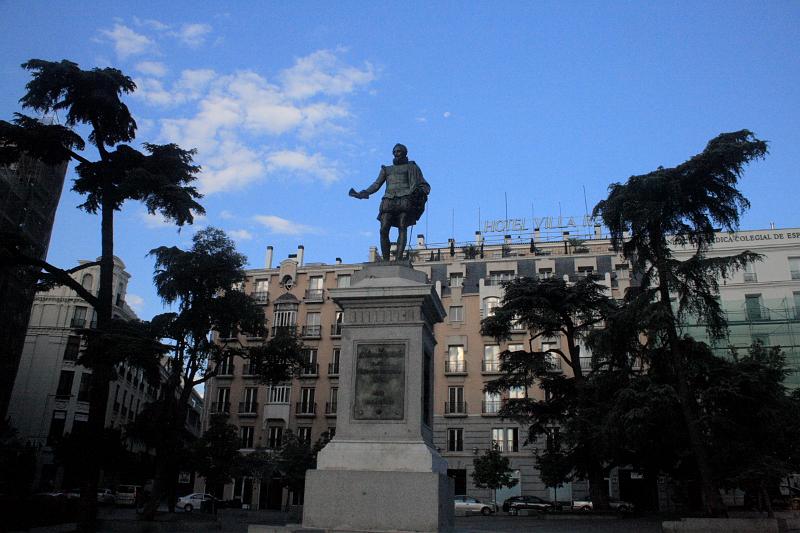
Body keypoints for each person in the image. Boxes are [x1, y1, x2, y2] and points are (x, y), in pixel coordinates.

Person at [350, 143, 430, 261]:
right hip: (388, 200)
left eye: (398, 151)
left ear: (404, 153)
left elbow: (424, 184)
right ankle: (386, 260)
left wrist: (419, 192)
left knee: (402, 227)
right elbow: (376, 184)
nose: (396, 154)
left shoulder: (412, 167)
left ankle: (398, 258)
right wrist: (364, 193)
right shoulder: (386, 169)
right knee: (383, 229)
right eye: (394, 152)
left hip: (405, 199)